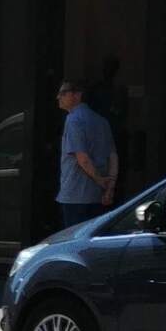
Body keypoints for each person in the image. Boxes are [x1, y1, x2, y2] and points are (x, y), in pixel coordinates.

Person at [55, 79, 118, 229]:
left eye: (63, 93)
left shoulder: (73, 119)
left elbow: (82, 158)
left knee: (74, 243)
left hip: (75, 195)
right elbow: (113, 157)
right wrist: (110, 187)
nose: (58, 97)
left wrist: (100, 180)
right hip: (98, 196)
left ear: (77, 95)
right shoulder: (102, 121)